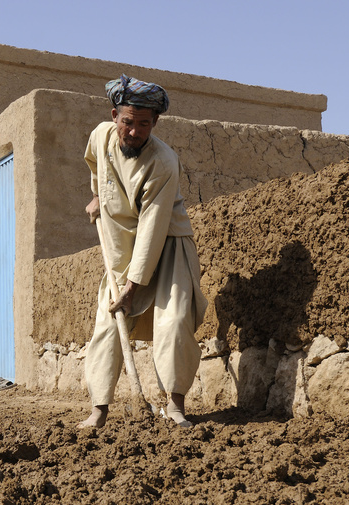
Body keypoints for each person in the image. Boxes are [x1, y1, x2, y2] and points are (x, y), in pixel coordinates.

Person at [78, 75, 207, 429]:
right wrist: (96, 195)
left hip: (166, 242)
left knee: (175, 320)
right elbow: (95, 165)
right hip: (120, 240)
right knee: (108, 324)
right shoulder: (99, 136)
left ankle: (176, 405)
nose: (134, 132)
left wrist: (134, 287)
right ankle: (99, 409)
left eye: (144, 125)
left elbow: (152, 227)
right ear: (114, 116)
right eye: (128, 122)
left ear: (156, 123)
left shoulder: (163, 162)